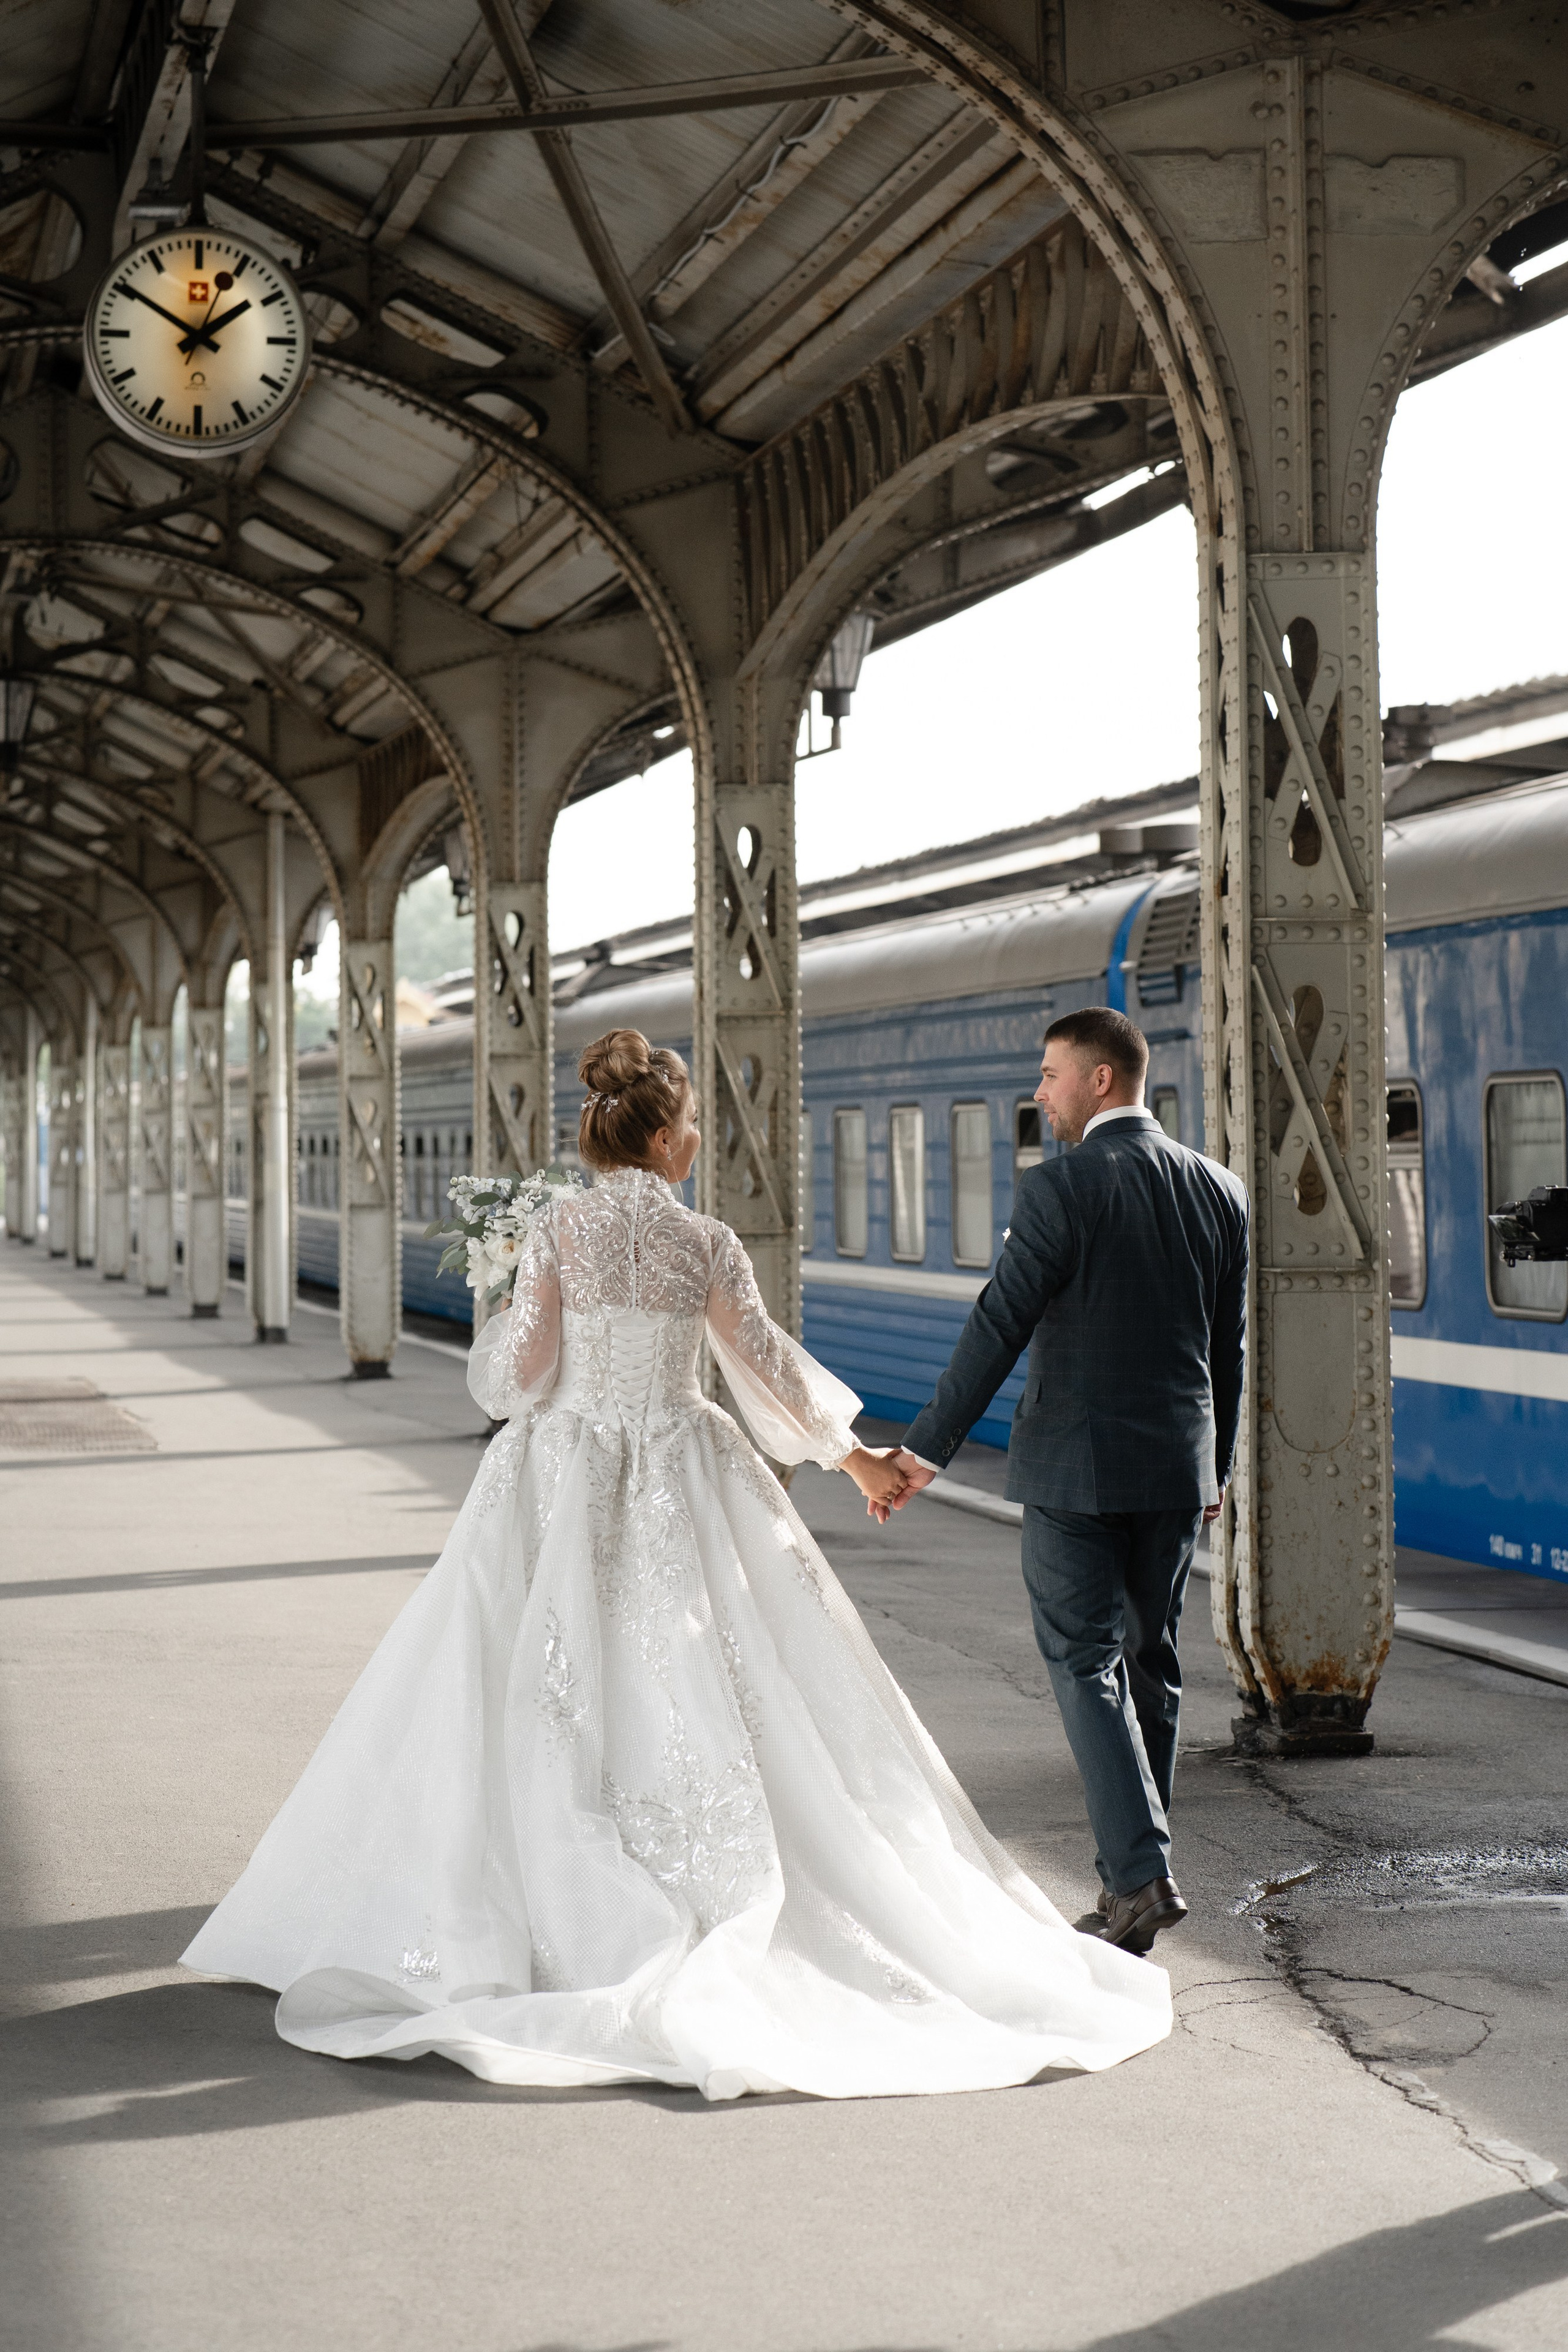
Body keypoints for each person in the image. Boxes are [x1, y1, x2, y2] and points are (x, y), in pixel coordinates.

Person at [181, 1028, 1170, 2098]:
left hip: (557, 1472)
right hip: (679, 1462)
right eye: (691, 1124)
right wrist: (858, 1459)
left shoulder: (555, 1228)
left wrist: (520, 1322)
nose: (698, 1139)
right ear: (660, 1137)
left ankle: (524, 1908)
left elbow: (515, 1380)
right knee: (710, 1681)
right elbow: (769, 1367)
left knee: (532, 1677)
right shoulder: (705, 1242)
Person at [891, 1008, 1249, 1960]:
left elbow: (998, 1323)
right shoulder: (1221, 1190)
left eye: (1050, 1074)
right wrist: (1215, 1463)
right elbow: (1228, 1350)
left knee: (1083, 1661)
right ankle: (1129, 1877)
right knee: (1151, 1665)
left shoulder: (1063, 1189)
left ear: (1099, 1080)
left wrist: (923, 1452)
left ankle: (1139, 1877)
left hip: (1075, 1469)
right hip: (1176, 1467)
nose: (1038, 1091)